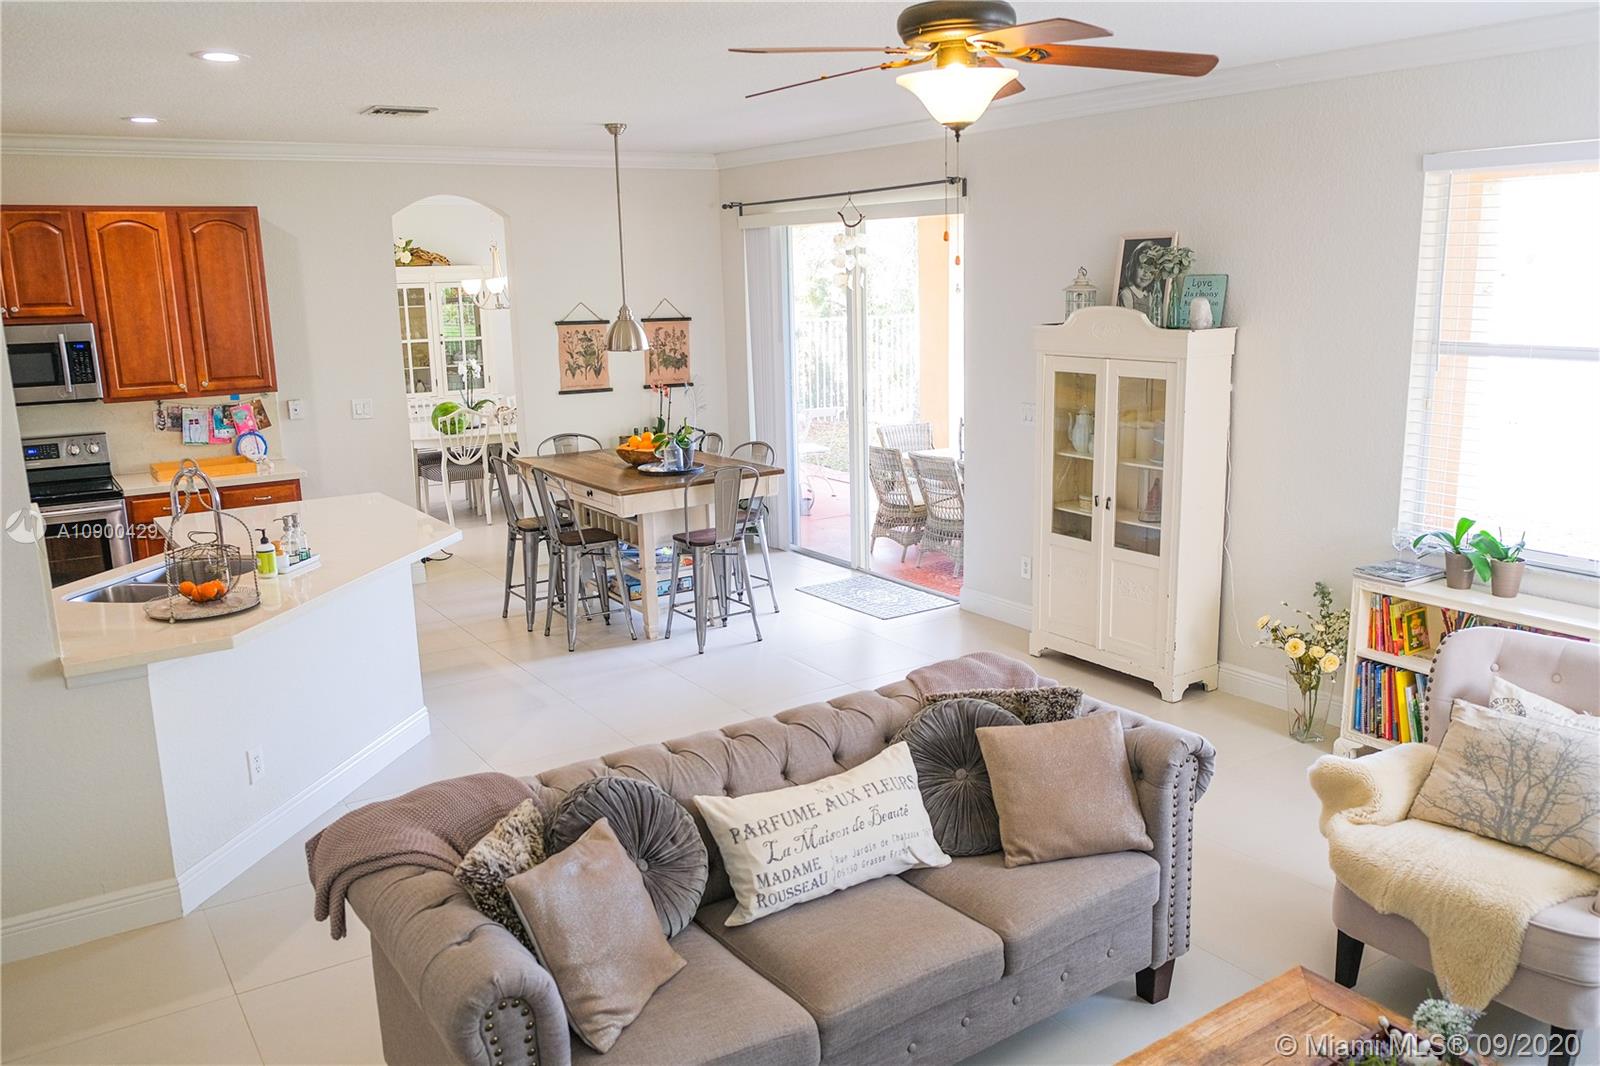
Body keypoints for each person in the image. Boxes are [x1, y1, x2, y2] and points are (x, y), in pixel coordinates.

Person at [1118, 240, 1166, 322]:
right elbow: (1127, 321)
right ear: (1133, 267)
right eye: (1141, 267)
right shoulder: (1127, 294)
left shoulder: (1150, 295)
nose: (1146, 273)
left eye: (1150, 270)